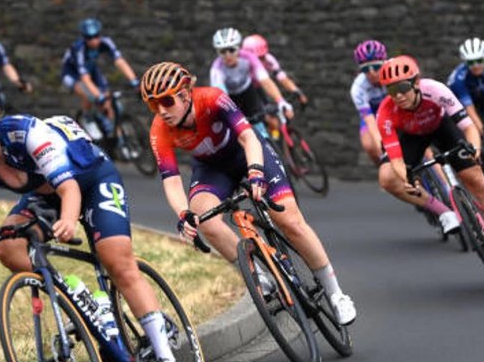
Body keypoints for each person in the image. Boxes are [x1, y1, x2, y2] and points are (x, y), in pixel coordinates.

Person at [0, 88, 180, 362]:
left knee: (117, 263)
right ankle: (79, 295)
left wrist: (69, 220)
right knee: (7, 243)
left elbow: (69, 188)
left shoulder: (25, 132)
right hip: (46, 194)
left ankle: (167, 361)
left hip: (92, 180)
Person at [141, 61, 356, 326]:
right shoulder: (159, 130)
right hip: (211, 169)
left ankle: (336, 295)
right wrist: (184, 214)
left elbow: (249, 138)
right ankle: (258, 278)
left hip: (248, 153)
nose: (161, 111)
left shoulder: (213, 99)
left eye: (166, 101)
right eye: (153, 105)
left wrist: (255, 171)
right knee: (204, 219)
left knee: (290, 221)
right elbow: (171, 181)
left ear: (186, 94)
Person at [375, 55, 484, 269]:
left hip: (442, 127)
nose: (398, 95)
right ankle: (444, 212)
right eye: (391, 90)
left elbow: (468, 127)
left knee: (475, 178)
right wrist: (406, 177)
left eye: (402, 87)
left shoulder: (435, 90)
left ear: (415, 82)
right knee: (388, 178)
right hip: (413, 137)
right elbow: (396, 159)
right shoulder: (385, 112)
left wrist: (474, 149)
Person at [59, 18, 139, 140]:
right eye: (89, 38)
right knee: (90, 94)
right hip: (72, 73)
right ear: (84, 38)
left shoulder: (106, 42)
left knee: (108, 99)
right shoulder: (79, 49)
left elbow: (120, 62)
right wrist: (98, 96)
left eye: (96, 36)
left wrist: (134, 82)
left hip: (91, 68)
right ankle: (87, 118)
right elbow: (85, 78)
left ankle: (115, 133)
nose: (94, 40)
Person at [209, 28, 294, 138]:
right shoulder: (217, 68)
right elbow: (220, 95)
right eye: (222, 51)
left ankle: (269, 144)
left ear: (238, 48)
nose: (228, 55)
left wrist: (280, 101)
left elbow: (265, 81)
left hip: (249, 94)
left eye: (231, 50)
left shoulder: (249, 58)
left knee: (261, 130)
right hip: (231, 98)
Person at [349, 39, 388, 166]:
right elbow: (370, 123)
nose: (372, 73)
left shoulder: (394, 71)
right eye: (366, 69)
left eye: (376, 67)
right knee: (369, 145)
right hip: (373, 114)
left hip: (395, 108)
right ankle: (384, 167)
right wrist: (383, 151)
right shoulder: (358, 87)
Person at [241, 34, 309, 107]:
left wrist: (297, 92)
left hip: (257, 89)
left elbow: (282, 77)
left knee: (268, 113)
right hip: (240, 90)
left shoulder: (268, 59)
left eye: (263, 56)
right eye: (259, 58)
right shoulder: (239, 63)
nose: (262, 61)